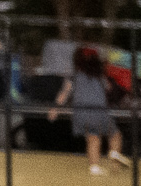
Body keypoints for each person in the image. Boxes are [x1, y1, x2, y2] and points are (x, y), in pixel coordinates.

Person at [51, 44, 127, 173]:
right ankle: (114, 156)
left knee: (93, 138)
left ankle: (94, 166)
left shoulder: (74, 75)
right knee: (115, 135)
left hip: (82, 112)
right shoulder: (99, 74)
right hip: (99, 111)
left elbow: (64, 93)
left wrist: (55, 108)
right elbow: (108, 88)